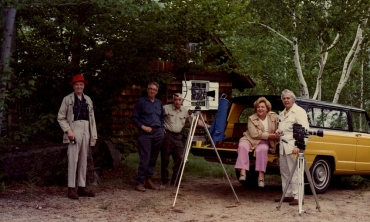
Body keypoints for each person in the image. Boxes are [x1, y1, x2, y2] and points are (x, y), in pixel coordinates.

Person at [57, 74, 98, 200]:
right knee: (73, 158)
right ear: (73, 86)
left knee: (84, 159)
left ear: (84, 86)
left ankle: (81, 187)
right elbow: (61, 117)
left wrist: (94, 135)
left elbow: (92, 119)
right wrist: (68, 131)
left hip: (86, 129)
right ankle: (71, 188)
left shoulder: (88, 100)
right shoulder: (67, 99)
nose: (79, 86)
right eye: (77, 84)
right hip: (74, 130)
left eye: (81, 84)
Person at [161, 93, 210, 188]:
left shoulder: (186, 110)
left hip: (178, 137)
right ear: (173, 100)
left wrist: (208, 126)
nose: (177, 102)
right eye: (175, 100)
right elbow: (157, 117)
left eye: (179, 100)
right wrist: (160, 127)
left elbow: (195, 120)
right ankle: (165, 181)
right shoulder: (165, 108)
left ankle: (175, 181)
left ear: (182, 100)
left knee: (180, 158)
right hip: (167, 135)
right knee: (165, 158)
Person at [274, 89, 309, 206]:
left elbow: (304, 131)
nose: (286, 100)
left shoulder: (299, 112)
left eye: (288, 98)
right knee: (284, 172)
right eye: (284, 98)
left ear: (293, 99)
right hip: (283, 147)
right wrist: (278, 132)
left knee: (296, 172)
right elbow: (285, 130)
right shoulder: (282, 113)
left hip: (293, 147)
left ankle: (298, 197)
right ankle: (288, 194)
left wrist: (299, 146)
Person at [234, 97, 279, 187]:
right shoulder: (251, 118)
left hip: (264, 141)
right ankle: (243, 172)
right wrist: (269, 136)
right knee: (242, 146)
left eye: (262, 107)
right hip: (249, 139)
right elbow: (254, 134)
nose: (260, 109)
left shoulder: (274, 116)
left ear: (267, 108)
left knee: (262, 150)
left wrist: (278, 131)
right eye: (258, 107)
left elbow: (281, 126)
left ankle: (261, 177)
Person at [132, 82, 165, 192]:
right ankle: (139, 182)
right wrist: (143, 127)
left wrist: (162, 128)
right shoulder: (141, 102)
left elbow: (161, 118)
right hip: (145, 133)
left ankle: (148, 180)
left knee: (153, 157)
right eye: (150, 89)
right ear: (147, 90)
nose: (152, 91)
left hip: (158, 133)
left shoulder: (158, 103)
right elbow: (135, 118)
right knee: (145, 158)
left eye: (154, 89)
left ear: (157, 91)